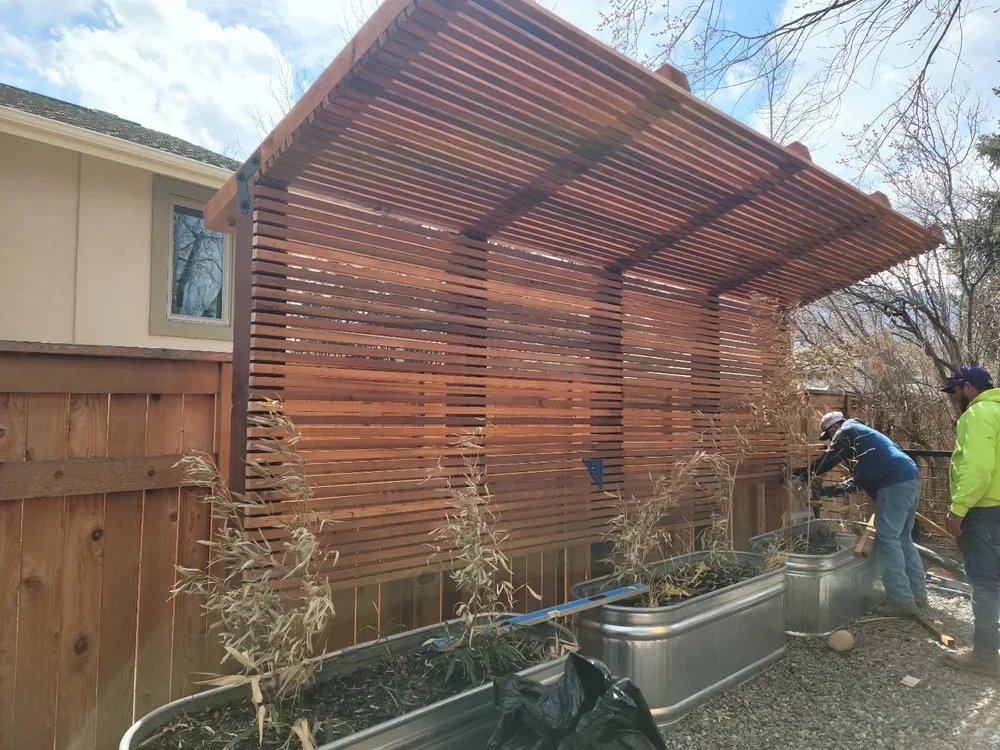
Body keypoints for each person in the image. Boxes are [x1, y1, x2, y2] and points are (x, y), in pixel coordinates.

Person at [797, 411, 926, 615]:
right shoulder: (863, 438)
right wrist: (827, 491)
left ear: (832, 428)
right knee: (902, 538)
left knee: (888, 538)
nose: (831, 439)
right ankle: (918, 595)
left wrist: (802, 473)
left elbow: (828, 459)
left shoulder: (847, 430)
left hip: (893, 482)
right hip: (909, 478)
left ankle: (901, 599)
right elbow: (857, 481)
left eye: (829, 435)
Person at [941, 366, 1000, 676]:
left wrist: (958, 508)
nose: (954, 398)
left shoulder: (977, 415)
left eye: (954, 392)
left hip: (986, 512)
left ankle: (987, 654)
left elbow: (978, 469)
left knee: (985, 584)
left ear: (966, 387)